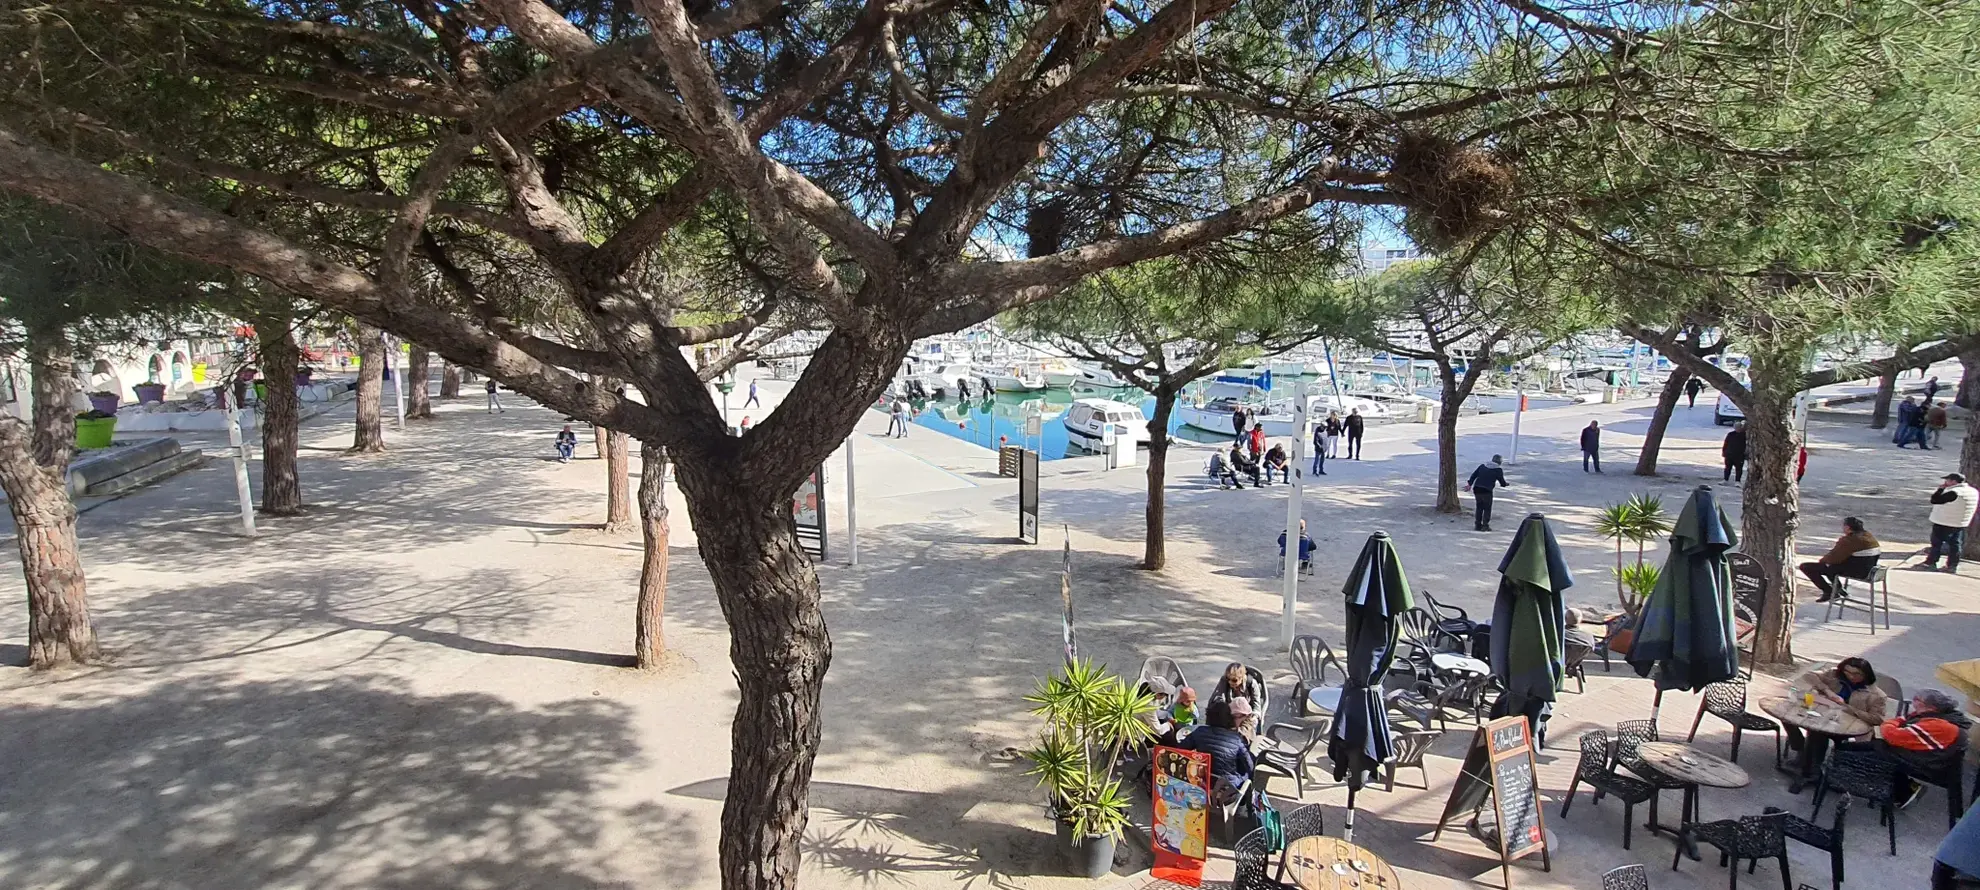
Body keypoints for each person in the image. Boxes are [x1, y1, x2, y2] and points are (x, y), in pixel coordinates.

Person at [1840, 688, 1972, 809]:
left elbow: (1890, 733)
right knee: (1875, 746)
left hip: (1931, 766)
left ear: (1931, 706)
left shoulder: (1939, 725)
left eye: (1918, 700)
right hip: (1930, 757)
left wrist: (1890, 723)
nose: (1914, 702)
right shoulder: (1936, 715)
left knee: (1879, 751)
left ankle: (1904, 792)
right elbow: (1904, 720)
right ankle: (1901, 787)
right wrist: (1897, 723)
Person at [1784, 658, 1888, 790]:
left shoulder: (1876, 695)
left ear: (1866, 674)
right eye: (1847, 672)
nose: (1851, 676)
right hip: (1826, 717)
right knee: (1790, 718)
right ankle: (1803, 755)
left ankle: (1814, 770)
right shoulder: (1835, 676)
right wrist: (1828, 691)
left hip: (1850, 727)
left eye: (1856, 674)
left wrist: (1847, 708)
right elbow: (1809, 675)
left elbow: (1877, 719)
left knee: (1818, 733)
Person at [1798, 517, 1881, 603]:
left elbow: (1833, 557)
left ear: (1848, 527)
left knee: (1806, 567)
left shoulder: (1850, 540)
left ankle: (1829, 592)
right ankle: (1838, 589)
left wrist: (1823, 561)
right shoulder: (1869, 536)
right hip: (1870, 570)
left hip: (1857, 572)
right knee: (1832, 566)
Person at [1175, 701, 1254, 790]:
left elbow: (1180, 749)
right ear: (1229, 718)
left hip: (1201, 781)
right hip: (1227, 787)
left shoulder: (1199, 731)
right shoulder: (1236, 738)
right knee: (1246, 773)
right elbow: (1249, 766)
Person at [1923, 472, 1978, 573]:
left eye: (1947, 480)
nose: (1945, 482)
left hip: (1944, 521)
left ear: (1953, 481)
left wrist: (1940, 489)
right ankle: (1952, 566)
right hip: (1960, 522)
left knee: (1936, 543)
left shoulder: (1954, 492)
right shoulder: (1972, 491)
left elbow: (1935, 500)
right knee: (1955, 544)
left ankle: (1931, 563)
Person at [1465, 455, 1509, 531]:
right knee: (1487, 508)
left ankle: (1477, 525)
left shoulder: (1482, 466)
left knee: (1479, 507)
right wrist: (1506, 484)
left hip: (1477, 488)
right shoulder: (1498, 470)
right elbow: (1502, 482)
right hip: (1487, 490)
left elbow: (1474, 475)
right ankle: (1485, 525)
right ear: (1500, 462)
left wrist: (1469, 484)